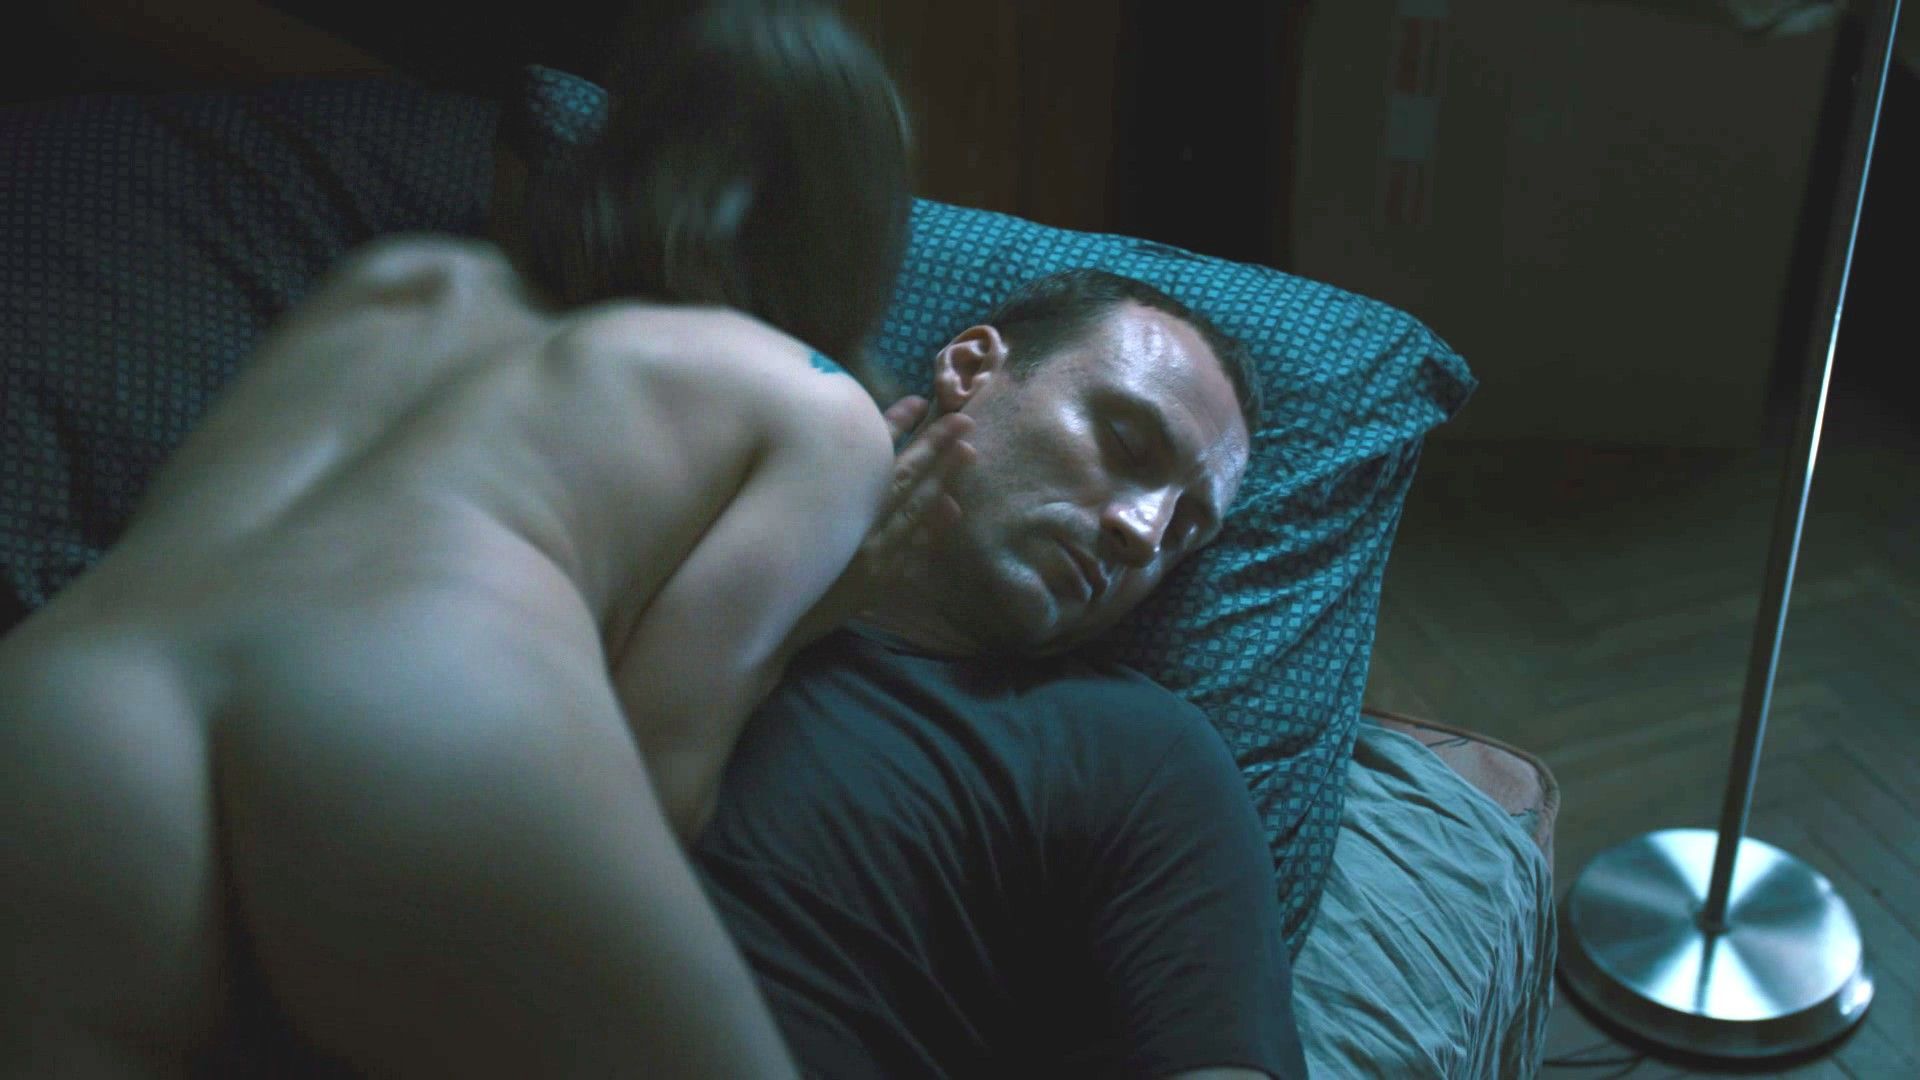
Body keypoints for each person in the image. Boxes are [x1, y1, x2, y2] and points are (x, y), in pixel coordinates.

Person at [0, 3, 963, 1076]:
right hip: (425, 703)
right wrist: (816, 613)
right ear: (850, 225)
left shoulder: (398, 280)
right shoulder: (813, 403)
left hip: (72, 707)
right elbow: (660, 774)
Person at [690, 269, 1309, 1079]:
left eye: (1185, 529)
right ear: (972, 369)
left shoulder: (1138, 757)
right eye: (1126, 444)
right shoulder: (691, 541)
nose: (1143, 532)